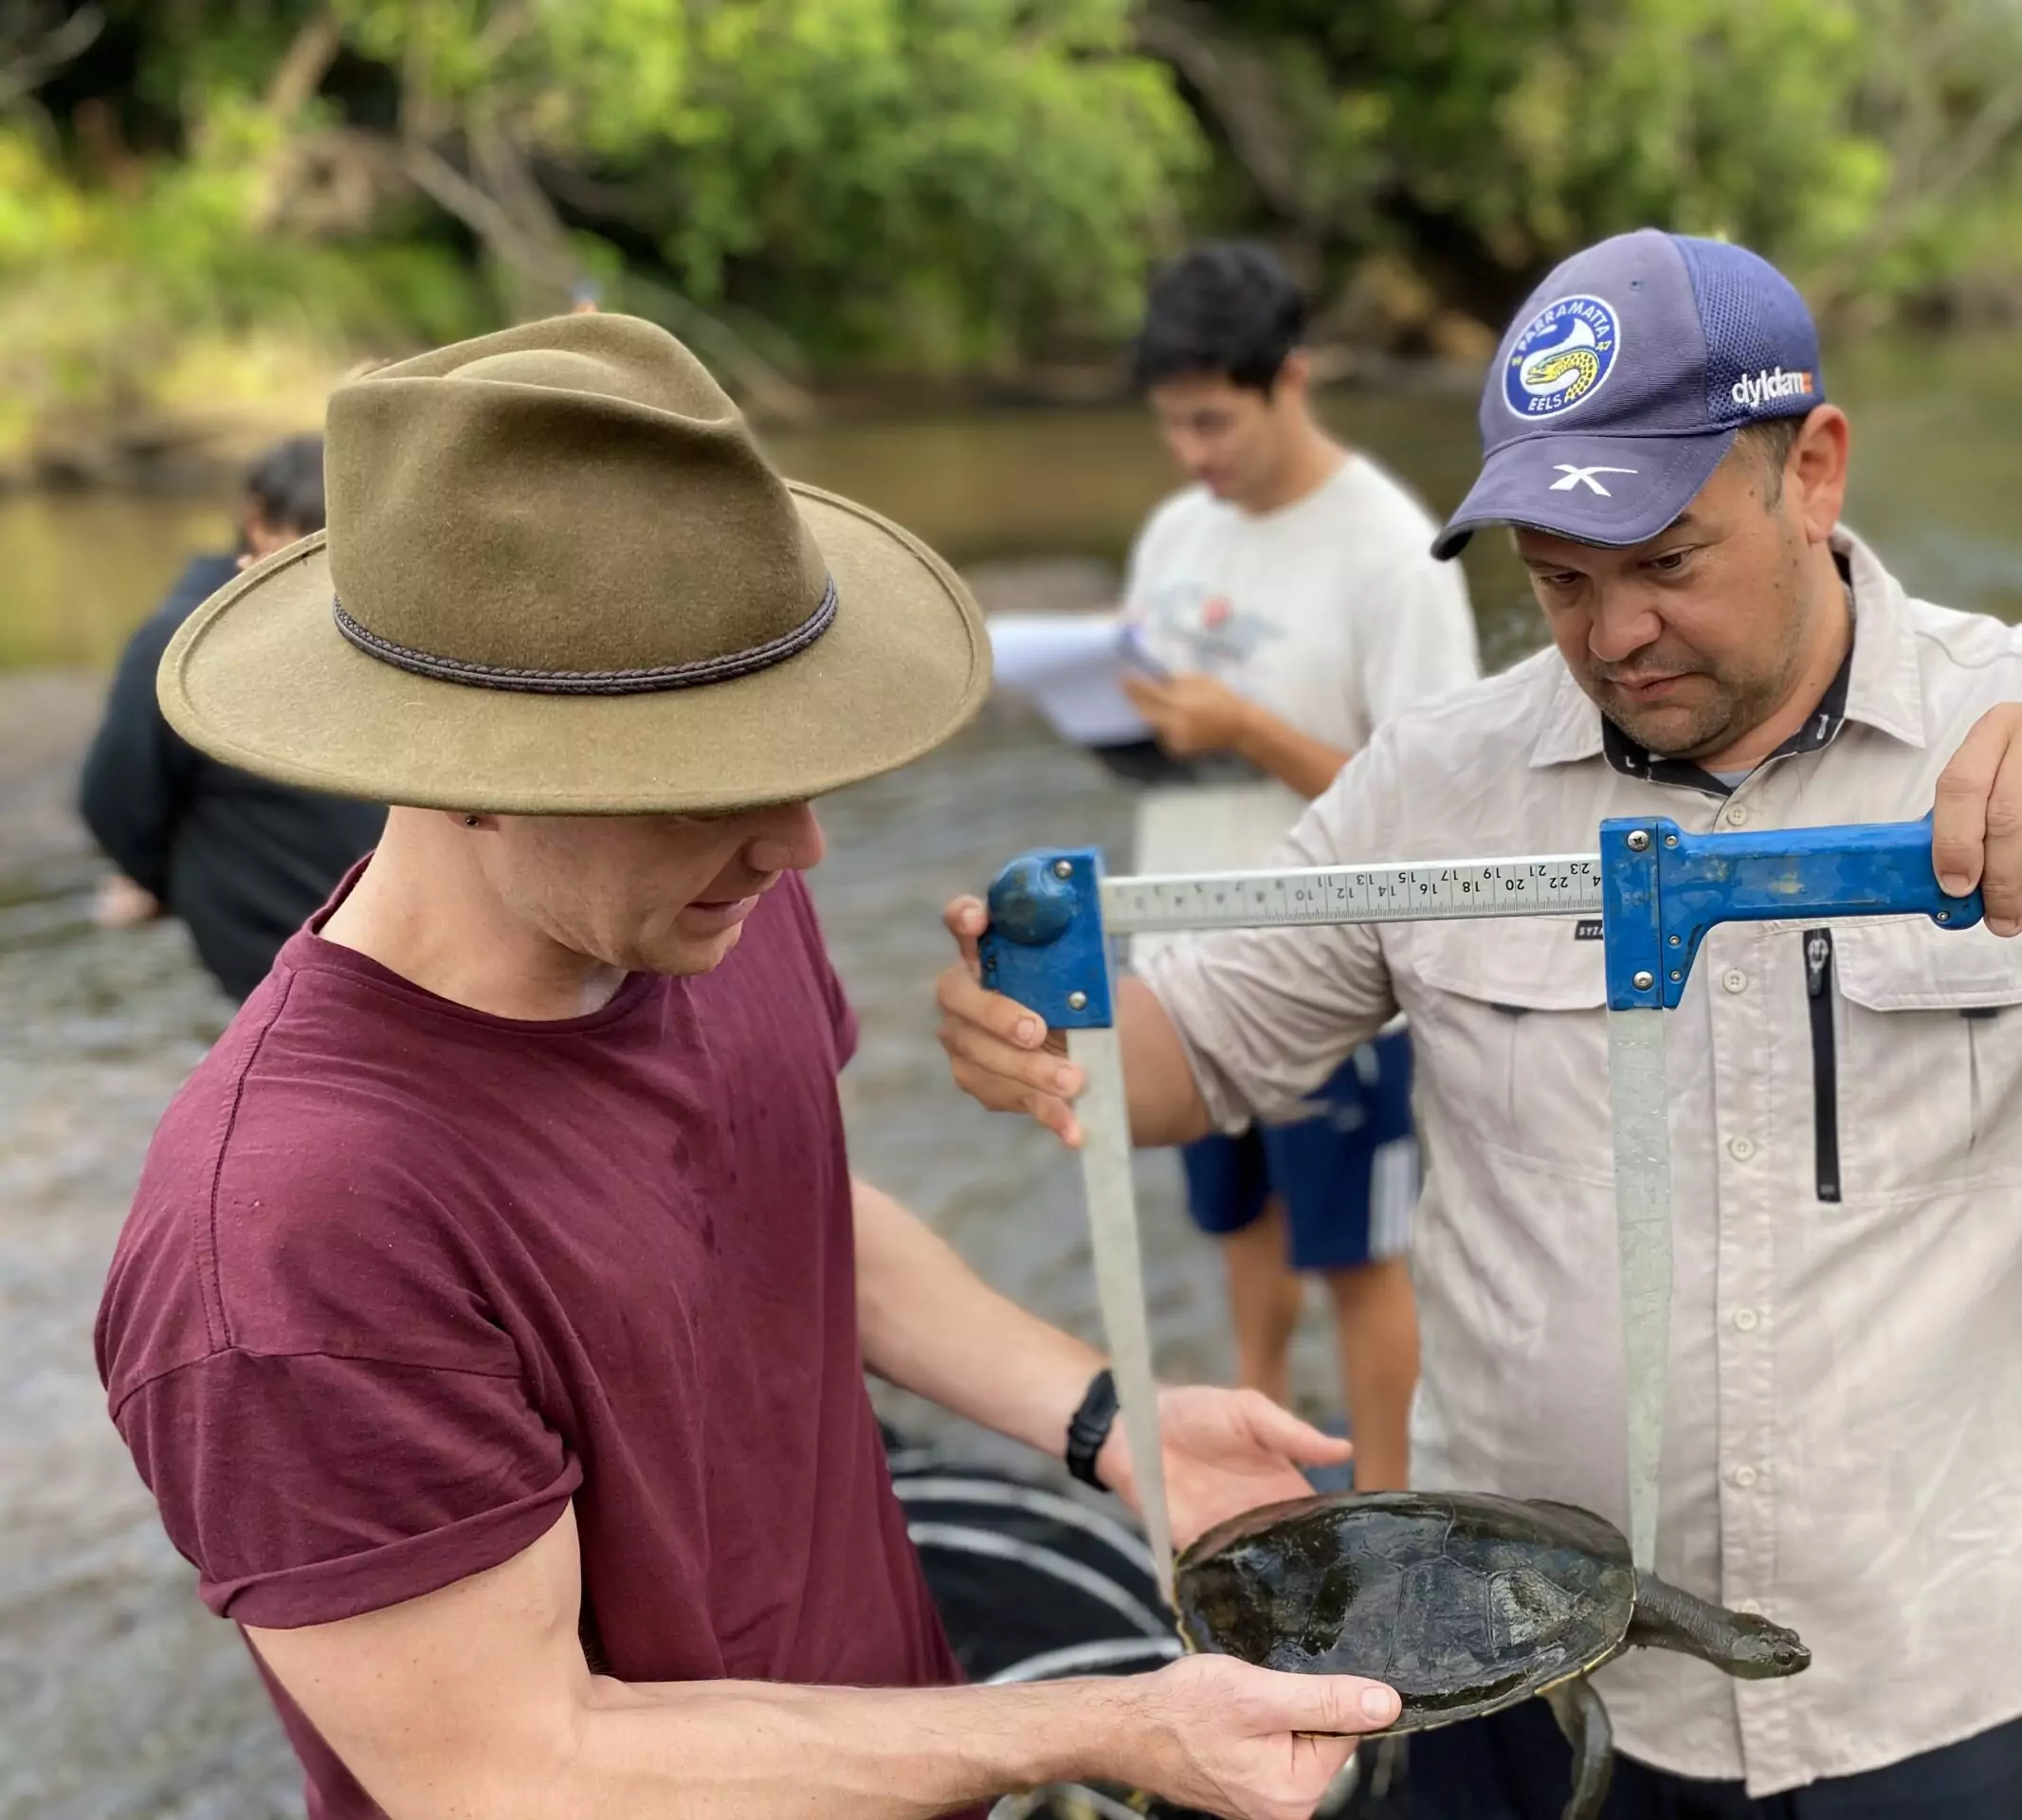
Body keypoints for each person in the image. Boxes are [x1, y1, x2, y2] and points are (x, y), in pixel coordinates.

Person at [934, 228, 2022, 1817]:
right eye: (1560, 581)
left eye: (1666, 563)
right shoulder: (1439, 786)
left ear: (1816, 471)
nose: (1614, 635)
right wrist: (1037, 1024)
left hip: (1917, 1691)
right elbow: (1192, 1053)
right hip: (1510, 1668)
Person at [93, 314, 1399, 1820]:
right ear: (464, 774)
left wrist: (1107, 1416)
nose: (799, 846)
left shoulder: (704, 900)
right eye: (709, 782)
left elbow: (785, 1201)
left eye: (799, 758)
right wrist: (1098, 1729)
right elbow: (519, 1769)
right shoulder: (289, 1241)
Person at [1115, 243, 1482, 1490]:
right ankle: (1257, 1461)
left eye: (1214, 420)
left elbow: (1443, 811)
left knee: (1357, 1258)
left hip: (1341, 976)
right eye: (1172, 424)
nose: (1193, 454)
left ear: (1293, 382)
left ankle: (1389, 1502)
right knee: (1241, 1228)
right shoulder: (1176, 531)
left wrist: (1251, 732)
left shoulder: (1391, 552)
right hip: (1184, 961)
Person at [79, 433, 389, 998]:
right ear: (258, 524)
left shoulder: (365, 625)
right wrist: (163, 880)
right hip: (292, 955)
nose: (327, 572)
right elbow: (113, 799)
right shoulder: (179, 647)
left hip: (368, 946)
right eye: (309, 547)